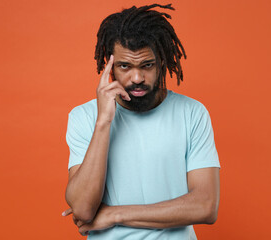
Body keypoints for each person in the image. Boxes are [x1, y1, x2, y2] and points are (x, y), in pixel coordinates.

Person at [62, 4, 220, 240]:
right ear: (110, 66)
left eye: (147, 65)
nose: (137, 78)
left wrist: (116, 215)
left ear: (162, 62)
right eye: (125, 66)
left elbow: (206, 206)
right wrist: (104, 121)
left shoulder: (192, 113)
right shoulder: (84, 117)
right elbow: (84, 209)